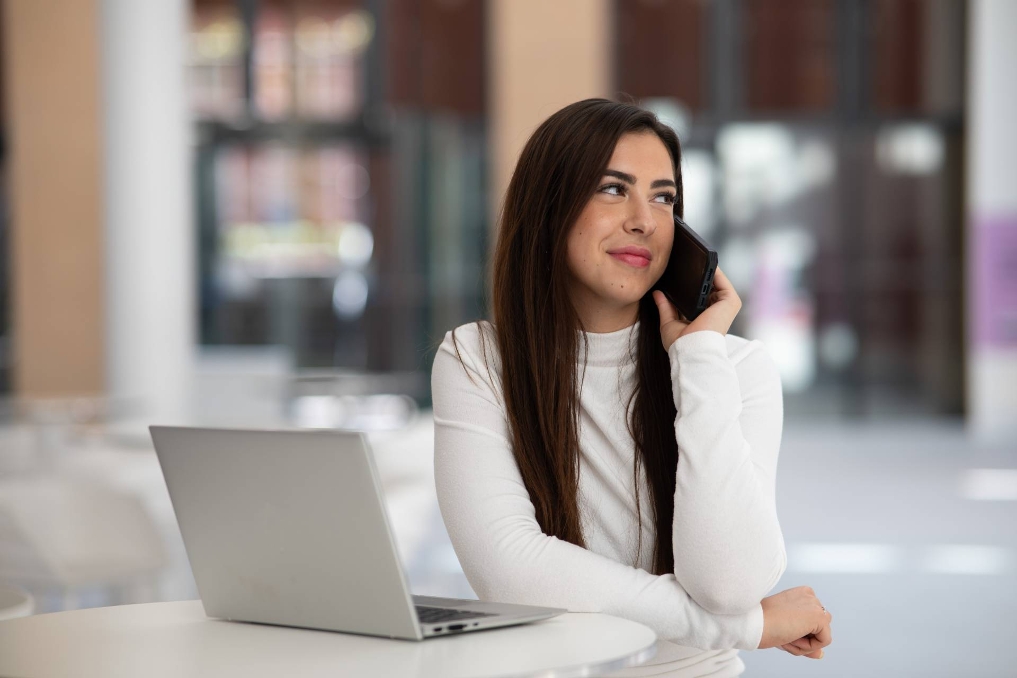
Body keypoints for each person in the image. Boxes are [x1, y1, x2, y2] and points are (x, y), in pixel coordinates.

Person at [431, 98, 832, 677]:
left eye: (664, 197)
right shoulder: (477, 360)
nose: (645, 219)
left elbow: (728, 582)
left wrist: (696, 357)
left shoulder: (735, 368)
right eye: (613, 189)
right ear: (548, 210)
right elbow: (510, 571)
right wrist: (747, 629)